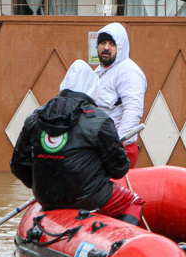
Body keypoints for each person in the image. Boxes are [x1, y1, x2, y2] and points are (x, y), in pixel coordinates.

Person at [10, 60, 145, 224]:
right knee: (134, 202)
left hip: (45, 197)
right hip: (88, 197)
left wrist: (40, 185)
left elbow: (18, 164)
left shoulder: (35, 116)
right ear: (93, 88)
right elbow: (119, 169)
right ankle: (120, 237)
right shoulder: (99, 120)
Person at [92, 22, 147, 168]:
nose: (106, 47)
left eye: (112, 44)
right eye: (102, 43)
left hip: (118, 149)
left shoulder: (128, 71)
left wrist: (117, 142)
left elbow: (133, 110)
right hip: (99, 146)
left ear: (120, 47)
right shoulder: (100, 71)